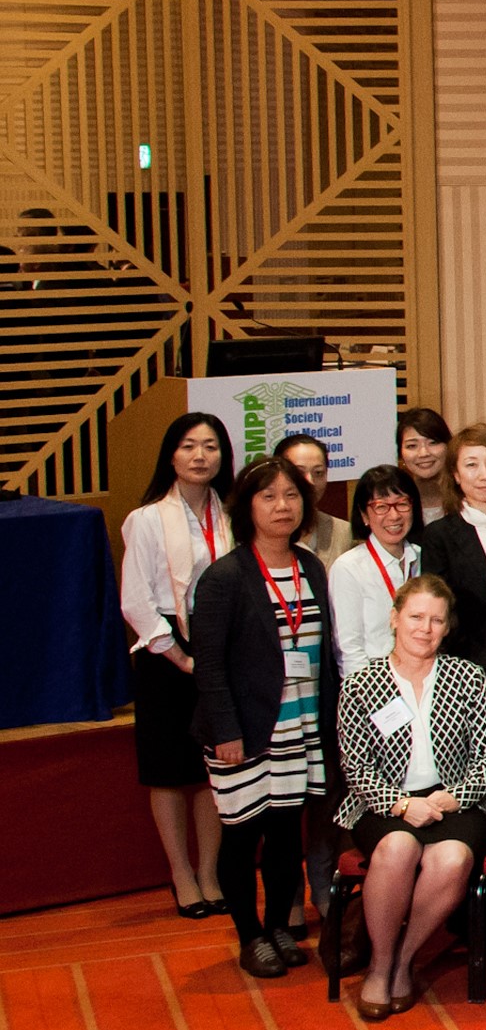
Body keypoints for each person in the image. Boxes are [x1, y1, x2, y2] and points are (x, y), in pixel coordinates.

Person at [189, 457, 342, 976]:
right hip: (247, 732)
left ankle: (278, 923)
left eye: (292, 496)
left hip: (299, 728)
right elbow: (208, 666)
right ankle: (249, 935)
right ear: (246, 507)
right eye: (269, 497)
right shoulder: (225, 576)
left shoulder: (311, 566)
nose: (283, 507)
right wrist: (227, 730)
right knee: (242, 834)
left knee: (284, 835)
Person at [330, 575, 486, 1017]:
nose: (425, 628)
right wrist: (403, 805)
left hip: (459, 799)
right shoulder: (361, 683)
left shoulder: (467, 677)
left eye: (436, 620)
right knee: (398, 846)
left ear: (447, 628)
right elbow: (355, 767)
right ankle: (379, 966)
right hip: (382, 800)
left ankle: (403, 961)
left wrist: (448, 799)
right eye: (416, 617)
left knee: (453, 859)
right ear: (395, 619)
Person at [120, 412, 233, 919]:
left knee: (213, 766)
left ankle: (209, 870)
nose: (200, 456)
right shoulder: (146, 518)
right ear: (171, 455)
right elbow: (135, 600)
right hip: (164, 650)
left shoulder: (232, 512)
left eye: (210, 446)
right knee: (168, 771)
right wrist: (179, 656)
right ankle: (181, 874)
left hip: (221, 644)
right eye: (189, 446)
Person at [415, 424, 486, 670]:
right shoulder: (439, 535)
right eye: (472, 465)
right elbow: (441, 609)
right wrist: (479, 668)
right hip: (464, 666)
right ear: (455, 474)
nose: (484, 475)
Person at [329, 467, 424, 671]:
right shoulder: (349, 567)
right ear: (364, 514)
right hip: (374, 684)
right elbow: (348, 649)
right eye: (381, 506)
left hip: (425, 679)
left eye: (402, 504)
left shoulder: (424, 557)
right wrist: (372, 694)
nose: (394, 516)